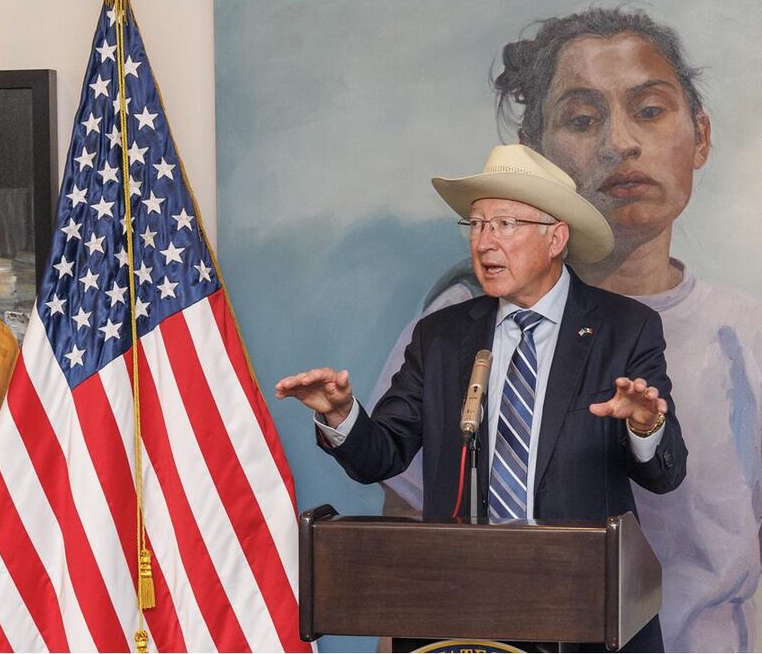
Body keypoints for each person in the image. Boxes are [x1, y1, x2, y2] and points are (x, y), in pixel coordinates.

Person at [371, 7, 762, 652]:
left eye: (651, 110)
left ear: (701, 136)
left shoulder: (751, 337)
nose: (620, 143)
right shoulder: (458, 331)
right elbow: (409, 583)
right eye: (581, 118)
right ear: (536, 153)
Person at [276, 144, 687, 653]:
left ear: (556, 237)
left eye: (505, 224)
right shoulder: (441, 336)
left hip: (584, 610)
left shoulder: (625, 328)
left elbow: (667, 475)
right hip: (460, 609)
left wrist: (645, 427)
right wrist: (341, 416)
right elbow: (381, 455)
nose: (485, 242)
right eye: (476, 225)